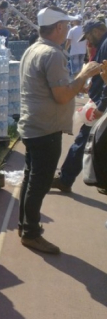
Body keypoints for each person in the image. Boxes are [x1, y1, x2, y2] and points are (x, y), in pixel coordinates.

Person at [18, 7, 102, 254]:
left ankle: (25, 227)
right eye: (66, 26)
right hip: (45, 128)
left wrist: (78, 84)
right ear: (57, 28)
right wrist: (84, 74)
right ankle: (31, 233)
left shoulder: (33, 48)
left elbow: (58, 87)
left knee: (31, 178)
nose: (68, 31)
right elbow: (63, 95)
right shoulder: (53, 55)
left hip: (33, 125)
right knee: (39, 183)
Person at [52, 20, 107, 194]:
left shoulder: (105, 44)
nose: (88, 41)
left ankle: (66, 179)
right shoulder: (103, 44)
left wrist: (101, 105)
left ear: (98, 31)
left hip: (102, 104)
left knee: (83, 142)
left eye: (89, 36)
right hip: (99, 99)